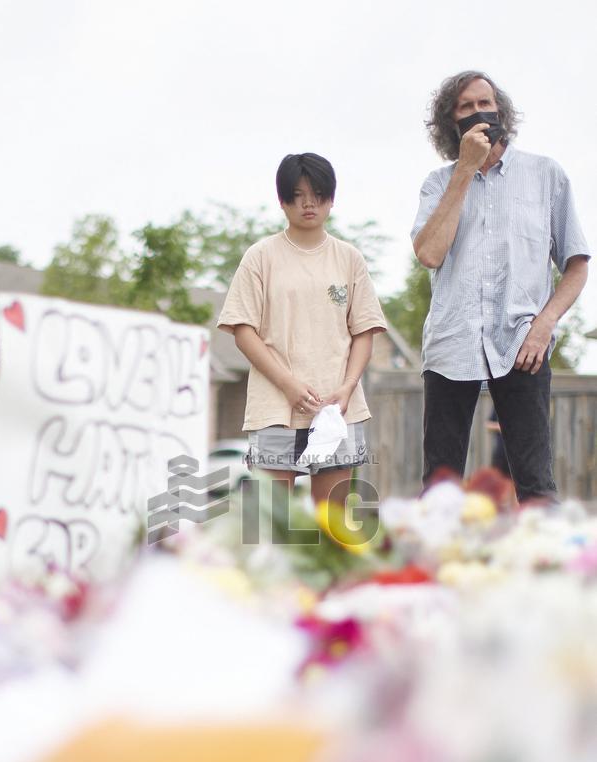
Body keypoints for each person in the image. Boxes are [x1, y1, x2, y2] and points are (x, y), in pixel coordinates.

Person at [411, 71, 590, 502]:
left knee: (535, 483)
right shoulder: (439, 183)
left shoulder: (546, 174)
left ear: (501, 110)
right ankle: (435, 565)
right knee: (440, 482)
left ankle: (542, 565)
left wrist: (545, 324)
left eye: (485, 103)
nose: (478, 113)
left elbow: (577, 264)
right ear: (449, 122)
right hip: (452, 341)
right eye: (465, 107)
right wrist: (466, 171)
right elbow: (430, 253)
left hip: (522, 342)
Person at [217, 152, 386, 508]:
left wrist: (347, 386)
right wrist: (289, 385)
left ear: (331, 198)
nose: (308, 203)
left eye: (318, 194)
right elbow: (243, 329)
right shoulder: (260, 256)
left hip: (336, 409)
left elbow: (364, 332)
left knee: (333, 521)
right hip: (274, 406)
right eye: (297, 195)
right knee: (270, 523)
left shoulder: (349, 258)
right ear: (281, 201)